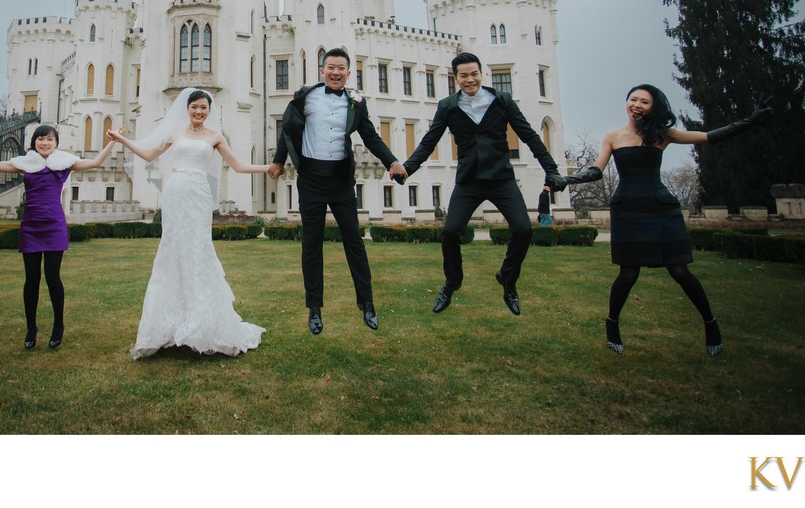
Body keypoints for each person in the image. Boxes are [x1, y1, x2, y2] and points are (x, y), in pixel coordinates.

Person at [550, 84, 771, 357]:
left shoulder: (662, 135)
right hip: (628, 209)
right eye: (633, 99)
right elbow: (596, 171)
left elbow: (709, 136)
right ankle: (612, 326)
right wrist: (565, 180)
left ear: (653, 107)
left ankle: (711, 325)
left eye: (644, 101)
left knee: (680, 271)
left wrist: (750, 120)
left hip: (660, 208)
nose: (637, 105)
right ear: (627, 103)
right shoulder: (613, 136)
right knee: (628, 274)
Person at [107, 88, 270, 358]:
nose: (198, 111)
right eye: (194, 107)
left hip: (199, 194)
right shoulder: (175, 132)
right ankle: (168, 325)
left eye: (203, 108)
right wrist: (123, 140)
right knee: (172, 250)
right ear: (187, 108)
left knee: (198, 250)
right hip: (175, 192)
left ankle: (202, 326)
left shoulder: (215, 137)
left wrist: (268, 168)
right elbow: (148, 155)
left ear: (209, 111)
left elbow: (238, 165)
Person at [398, 52, 562, 316]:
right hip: (469, 181)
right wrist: (408, 169)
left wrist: (551, 170)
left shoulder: (502, 100)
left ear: (481, 73)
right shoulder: (448, 107)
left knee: (523, 230)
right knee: (450, 231)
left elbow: (529, 136)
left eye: (474, 73)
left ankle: (508, 279)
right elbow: (429, 142)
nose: (470, 79)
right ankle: (452, 281)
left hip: (501, 179)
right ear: (455, 78)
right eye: (464, 75)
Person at [269, 48, 408, 335]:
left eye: (341, 68)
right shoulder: (304, 96)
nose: (335, 72)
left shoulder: (357, 102)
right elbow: (288, 131)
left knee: (354, 242)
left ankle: (367, 303)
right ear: (322, 71)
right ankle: (314, 308)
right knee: (311, 245)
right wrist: (278, 161)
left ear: (348, 72)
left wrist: (392, 161)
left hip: (341, 181)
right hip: (310, 179)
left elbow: (370, 136)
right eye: (330, 67)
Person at [0, 124, 117, 349]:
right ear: (34, 142)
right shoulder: (26, 164)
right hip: (31, 225)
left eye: (49, 139)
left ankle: (58, 325)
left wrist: (113, 141)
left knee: (53, 277)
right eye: (40, 139)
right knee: (31, 279)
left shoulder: (64, 163)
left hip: (54, 224)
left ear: (56, 143)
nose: (44, 142)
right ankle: (31, 328)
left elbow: (95, 163)